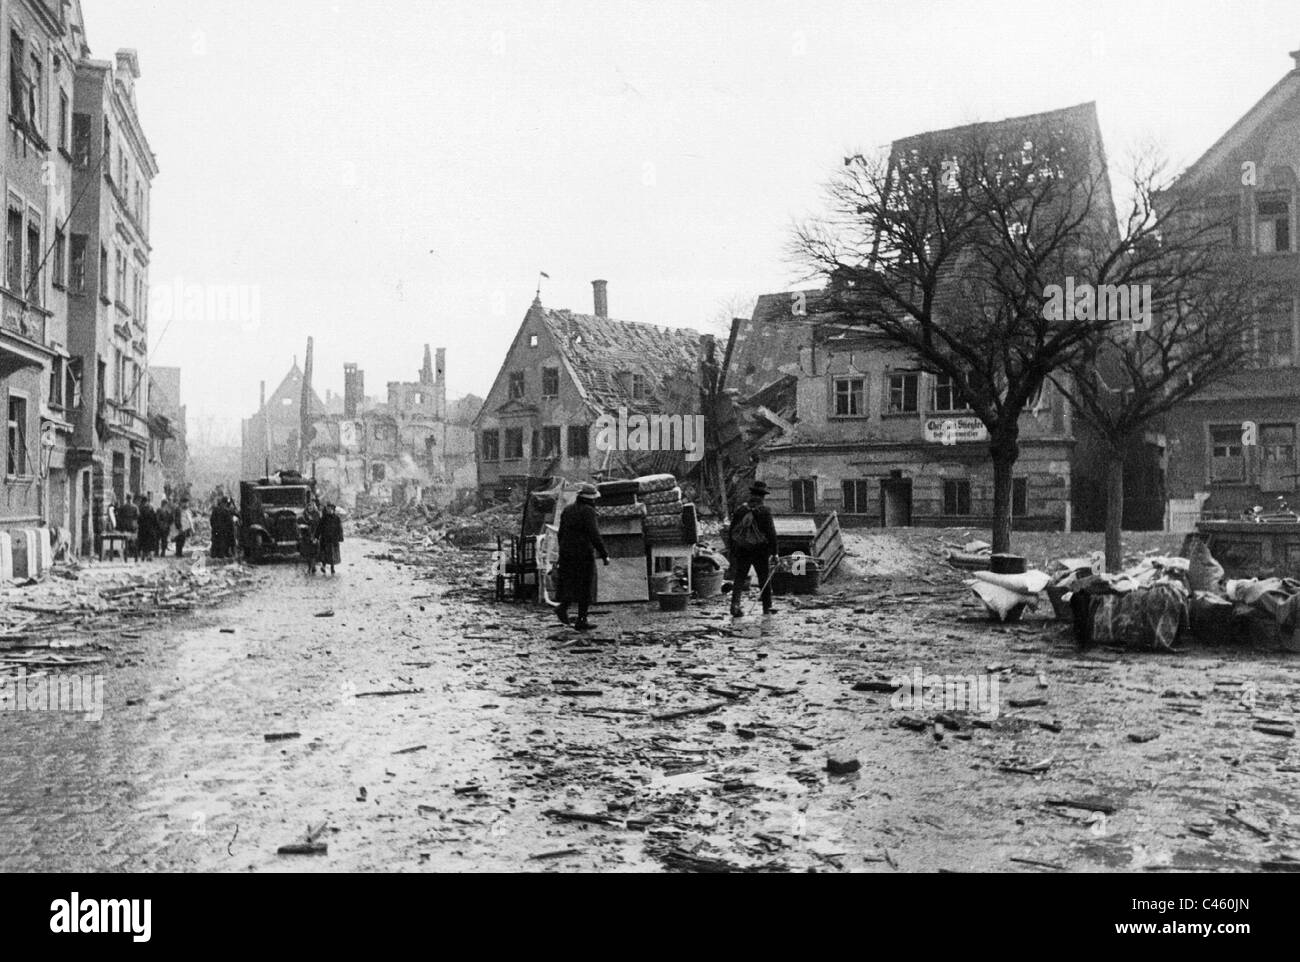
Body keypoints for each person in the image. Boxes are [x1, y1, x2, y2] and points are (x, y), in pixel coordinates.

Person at [554, 483, 609, 631]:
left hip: (566, 553)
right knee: (585, 587)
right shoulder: (588, 511)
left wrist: (563, 550)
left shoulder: (568, 510)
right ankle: (581, 620)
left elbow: (561, 533)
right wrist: (604, 554)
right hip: (583, 554)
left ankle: (563, 607)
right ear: (591, 499)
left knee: (570, 583)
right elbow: (594, 534)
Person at [728, 480, 779, 618]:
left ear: (751, 494)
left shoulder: (741, 510)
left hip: (742, 549)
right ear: (762, 496)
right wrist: (775, 553)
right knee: (764, 578)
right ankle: (767, 608)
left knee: (739, 578)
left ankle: (735, 604)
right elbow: (771, 533)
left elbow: (732, 531)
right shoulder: (765, 512)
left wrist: (732, 550)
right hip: (760, 551)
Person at [317, 503, 344, 575]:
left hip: (333, 539)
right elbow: (319, 528)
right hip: (324, 539)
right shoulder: (323, 518)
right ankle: (323, 566)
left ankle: (332, 568)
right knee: (324, 554)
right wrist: (316, 536)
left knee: (332, 554)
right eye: (327, 509)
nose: (329, 510)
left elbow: (340, 528)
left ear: (333, 510)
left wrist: (340, 537)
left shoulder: (337, 518)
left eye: (330, 509)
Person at [300, 499, 322, 574]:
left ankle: (312, 567)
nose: (310, 508)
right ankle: (310, 566)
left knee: (314, 552)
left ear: (314, 507)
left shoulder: (317, 514)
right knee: (307, 553)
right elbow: (300, 523)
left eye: (311, 506)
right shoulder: (304, 515)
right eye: (309, 506)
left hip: (314, 534)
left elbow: (318, 524)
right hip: (306, 536)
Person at [138, 494, 158, 560]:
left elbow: (139, 519)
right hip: (150, 528)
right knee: (151, 543)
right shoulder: (151, 508)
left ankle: (143, 555)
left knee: (143, 542)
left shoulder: (140, 508)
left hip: (143, 528)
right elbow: (155, 519)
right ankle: (150, 556)